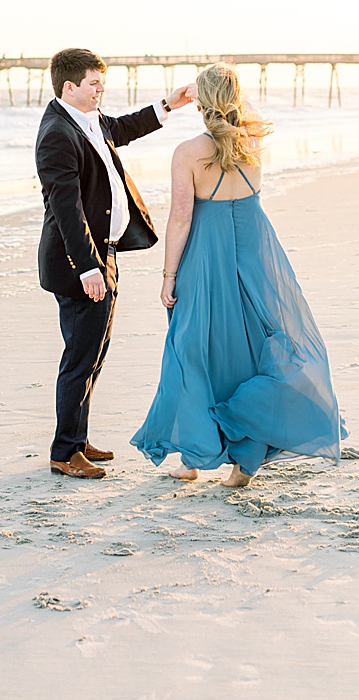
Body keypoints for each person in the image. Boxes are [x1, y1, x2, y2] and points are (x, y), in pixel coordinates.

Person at [131, 61, 343, 486]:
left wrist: (168, 275)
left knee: (194, 350)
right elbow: (249, 111)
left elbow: (180, 219)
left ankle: (193, 458)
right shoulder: (255, 140)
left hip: (206, 260)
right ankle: (244, 463)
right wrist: (221, 90)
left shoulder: (188, 152)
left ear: (200, 103)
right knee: (250, 349)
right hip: (255, 255)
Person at [35, 46, 194, 480]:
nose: (101, 90)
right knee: (80, 356)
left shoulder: (87, 120)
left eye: (102, 83)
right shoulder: (56, 133)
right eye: (94, 84)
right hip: (79, 263)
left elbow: (123, 128)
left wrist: (168, 106)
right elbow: (66, 210)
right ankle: (64, 452)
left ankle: (78, 438)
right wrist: (90, 269)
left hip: (104, 253)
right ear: (70, 87)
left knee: (96, 352)